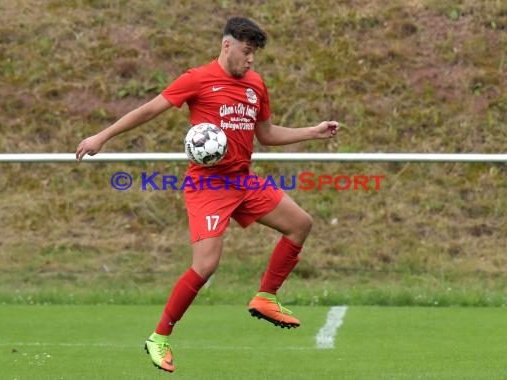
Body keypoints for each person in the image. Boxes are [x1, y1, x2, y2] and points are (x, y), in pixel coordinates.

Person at [76, 16, 338, 373]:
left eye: (255, 54)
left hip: (243, 181)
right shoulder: (197, 79)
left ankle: (265, 297)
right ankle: (160, 337)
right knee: (206, 265)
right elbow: (150, 109)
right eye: (246, 52)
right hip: (208, 185)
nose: (251, 60)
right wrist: (101, 137)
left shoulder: (256, 85)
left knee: (300, 224)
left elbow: (266, 134)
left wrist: (314, 132)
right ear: (227, 45)